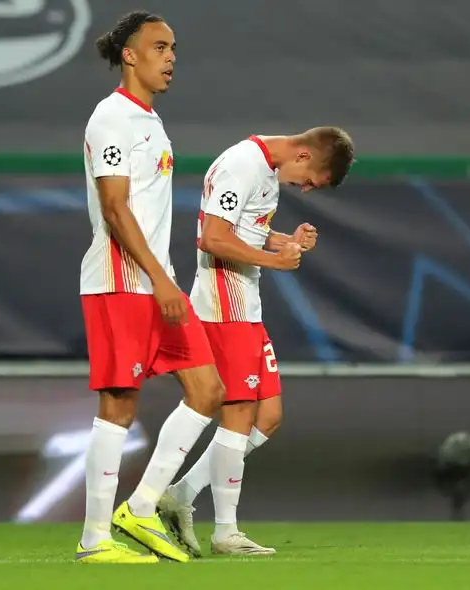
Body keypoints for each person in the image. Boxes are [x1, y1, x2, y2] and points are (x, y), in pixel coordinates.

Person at [157, 128, 355, 556]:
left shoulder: (265, 170)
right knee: (240, 412)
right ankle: (225, 532)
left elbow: (242, 231)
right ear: (303, 154)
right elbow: (211, 237)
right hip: (224, 302)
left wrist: (284, 240)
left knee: (268, 416)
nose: (303, 188)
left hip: (247, 303)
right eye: (310, 180)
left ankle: (180, 495)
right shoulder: (241, 165)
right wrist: (275, 261)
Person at [76, 11, 225, 564]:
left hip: (157, 282)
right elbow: (114, 207)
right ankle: (94, 541)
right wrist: (162, 278)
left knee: (207, 390)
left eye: (174, 48)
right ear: (130, 55)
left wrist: (164, 279)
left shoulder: (152, 123)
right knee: (118, 404)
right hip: (122, 280)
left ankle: (139, 509)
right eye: (159, 47)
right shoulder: (111, 117)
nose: (171, 57)